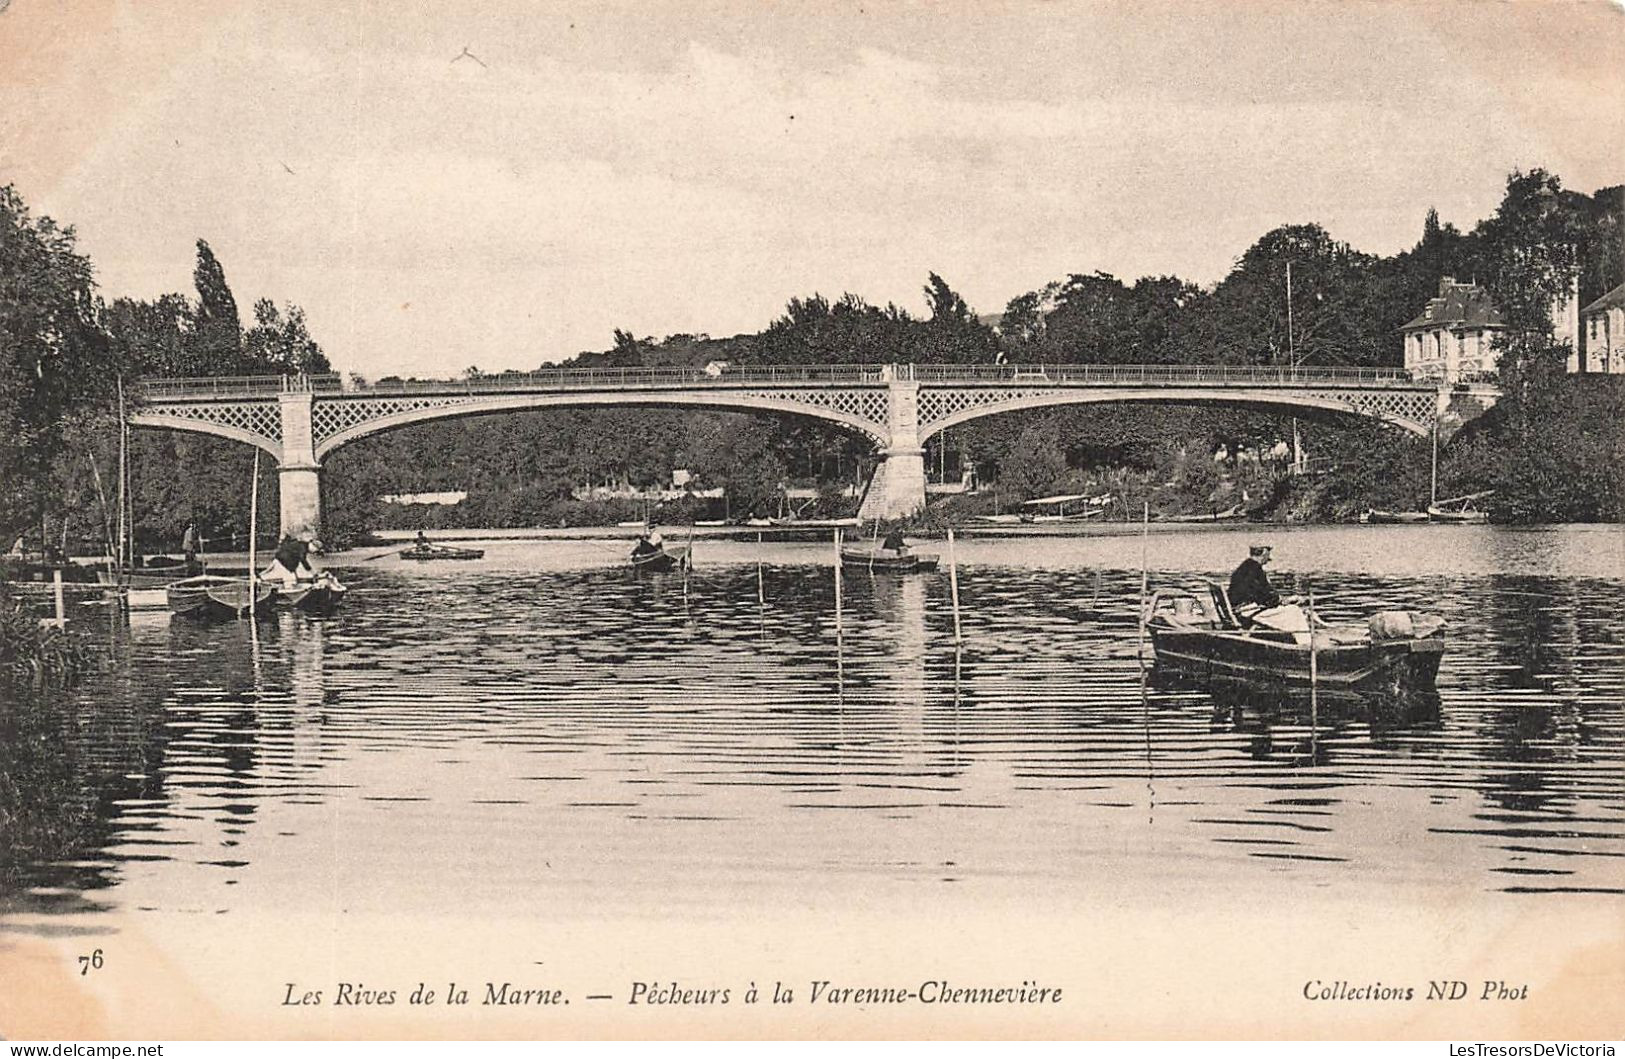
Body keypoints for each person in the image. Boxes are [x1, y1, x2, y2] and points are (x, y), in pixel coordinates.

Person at [1228, 543, 1281, 611]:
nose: (1269, 558)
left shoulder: (1245, 566)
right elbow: (1264, 594)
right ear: (1264, 553)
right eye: (1268, 553)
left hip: (1239, 607)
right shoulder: (1256, 570)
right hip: (1247, 610)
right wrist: (1280, 599)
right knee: (1293, 610)